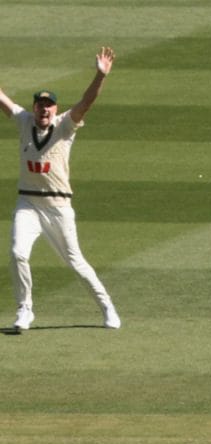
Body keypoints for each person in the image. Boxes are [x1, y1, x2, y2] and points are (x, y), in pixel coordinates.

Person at [0, 47, 121, 331]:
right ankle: (25, 309)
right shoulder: (23, 121)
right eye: (40, 105)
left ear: (55, 108)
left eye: (49, 105)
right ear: (34, 107)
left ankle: (107, 306)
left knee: (76, 262)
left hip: (58, 207)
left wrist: (100, 76)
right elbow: (3, 100)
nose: (44, 109)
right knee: (18, 252)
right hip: (27, 204)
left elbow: (86, 102)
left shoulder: (65, 126)